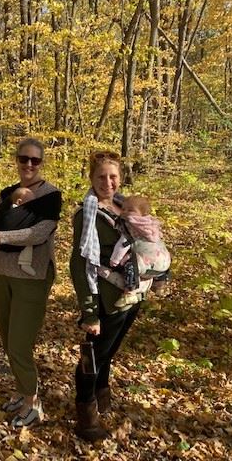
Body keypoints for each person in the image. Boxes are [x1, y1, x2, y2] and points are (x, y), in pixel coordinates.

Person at [69, 150, 153, 442]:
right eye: (101, 176)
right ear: (91, 178)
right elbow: (80, 264)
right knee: (93, 355)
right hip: (105, 298)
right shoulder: (87, 214)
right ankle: (85, 412)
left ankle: (102, 393)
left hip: (131, 296)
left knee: (109, 352)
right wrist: (89, 312)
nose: (108, 182)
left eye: (113, 176)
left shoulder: (125, 206)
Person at [0, 137, 62, 428]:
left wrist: (4, 238)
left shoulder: (51, 196)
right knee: (7, 340)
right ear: (16, 160)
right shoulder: (5, 194)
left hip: (32, 277)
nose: (29, 164)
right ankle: (22, 391)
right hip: (2, 274)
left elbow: (40, 232)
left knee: (19, 342)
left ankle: (33, 402)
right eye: (23, 159)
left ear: (41, 163)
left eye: (35, 160)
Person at [97, 195, 171, 293]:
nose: (125, 212)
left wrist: (114, 260)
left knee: (130, 266)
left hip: (147, 262)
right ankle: (160, 282)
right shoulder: (150, 223)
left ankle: (130, 289)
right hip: (165, 261)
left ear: (142, 213)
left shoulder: (132, 226)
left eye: (130, 210)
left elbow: (123, 243)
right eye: (123, 209)